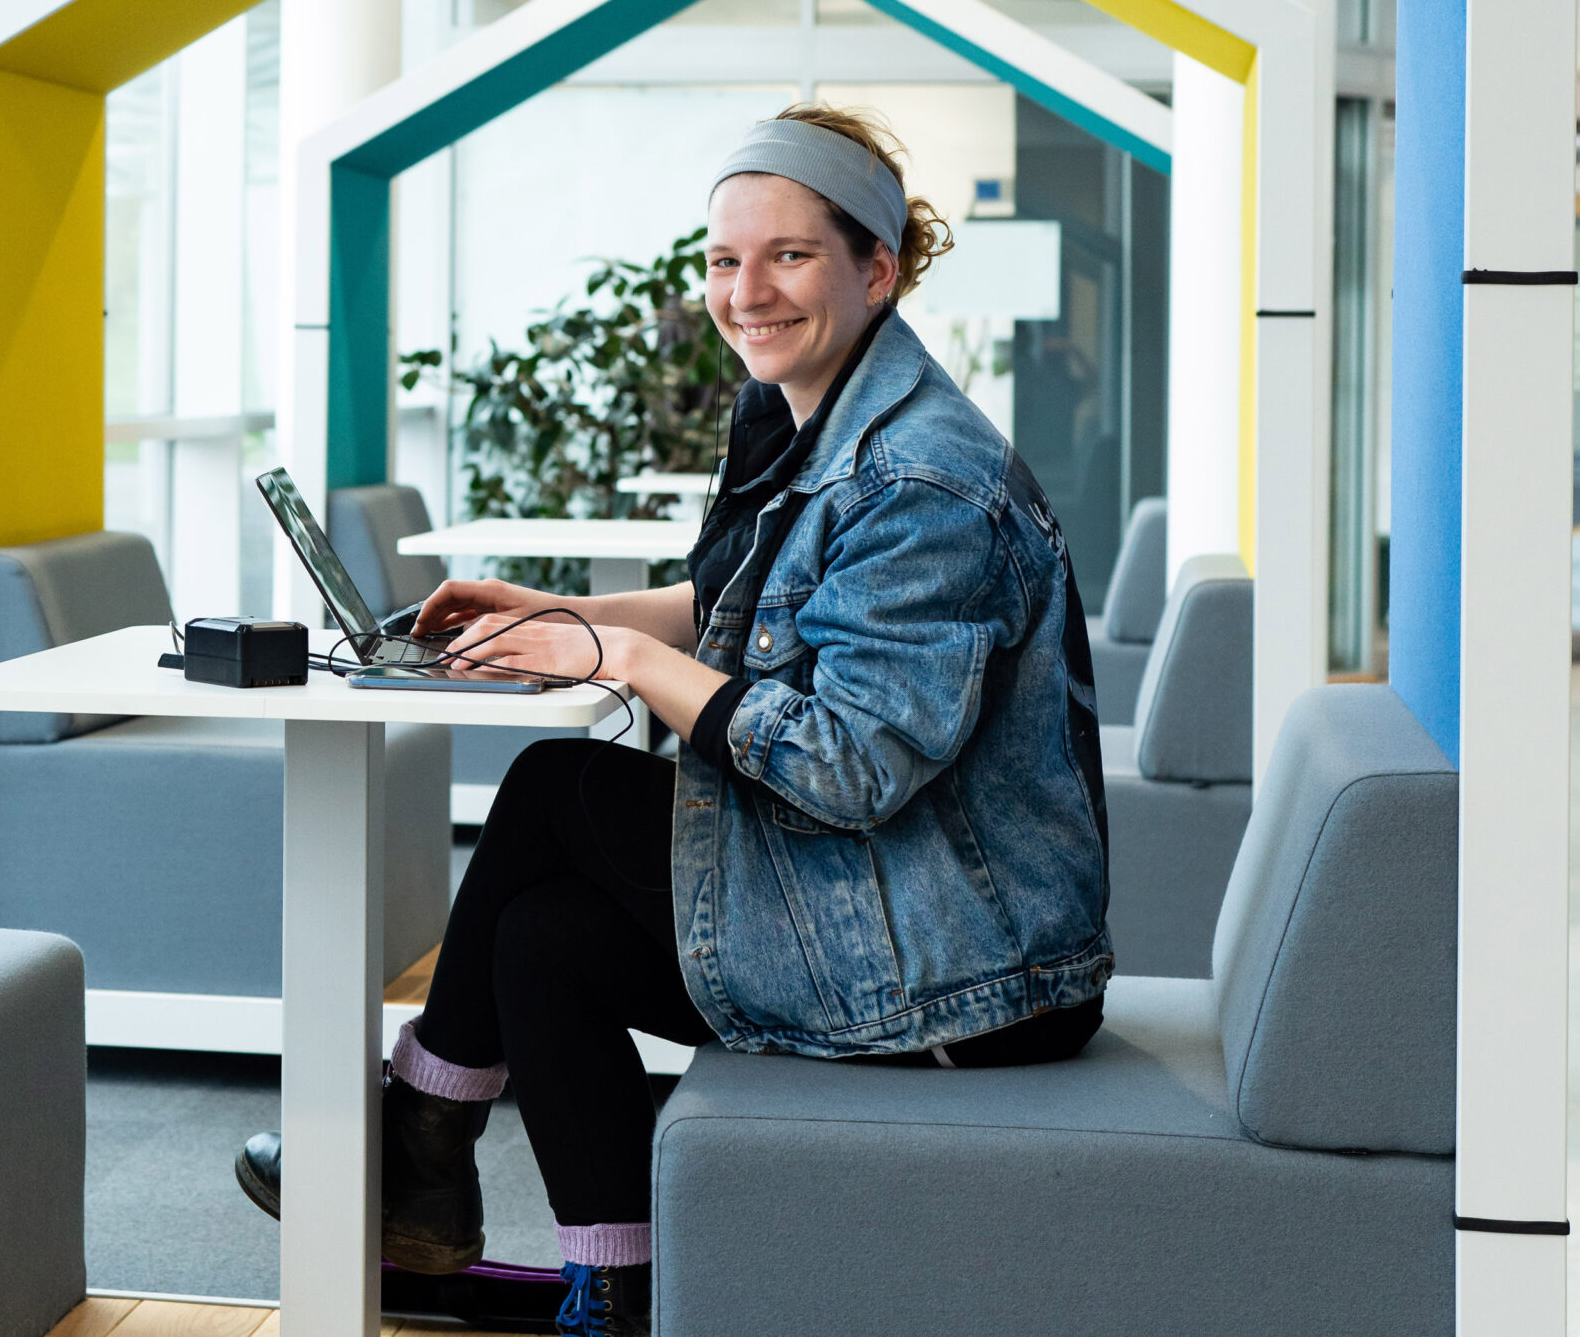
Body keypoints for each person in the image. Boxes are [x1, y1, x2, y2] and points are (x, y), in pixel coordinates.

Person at [234, 103, 1113, 1337]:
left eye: (789, 257)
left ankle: (415, 1138)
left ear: (878, 267)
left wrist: (623, 657)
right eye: (721, 260)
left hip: (968, 972)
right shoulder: (824, 413)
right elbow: (746, 605)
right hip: (889, 909)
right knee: (540, 935)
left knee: (557, 789)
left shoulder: (924, 480)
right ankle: (608, 1285)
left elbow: (849, 763)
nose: (744, 292)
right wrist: (562, 608)